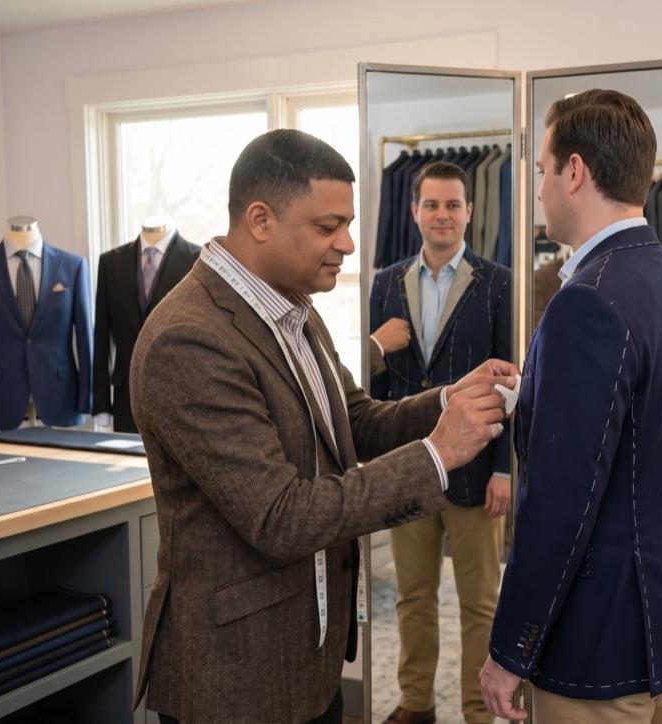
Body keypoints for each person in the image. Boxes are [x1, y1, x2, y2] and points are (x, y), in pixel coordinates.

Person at [129, 129, 516, 724]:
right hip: (237, 678)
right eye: (327, 226)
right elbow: (279, 517)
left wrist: (447, 399)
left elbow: (354, 421)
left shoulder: (294, 308)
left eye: (348, 224)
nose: (348, 244)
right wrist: (436, 454)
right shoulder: (190, 339)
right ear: (260, 219)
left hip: (307, 656)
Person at [478, 89, 662, 724]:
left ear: (574, 172)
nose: (537, 189)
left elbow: (560, 503)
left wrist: (509, 649)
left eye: (540, 170)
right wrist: (536, 396)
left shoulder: (587, 301)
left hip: (598, 648)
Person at [369, 161, 513, 724]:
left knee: (480, 604)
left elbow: (510, 384)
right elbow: (371, 386)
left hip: (479, 468)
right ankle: (416, 703)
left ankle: (478, 713)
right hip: (409, 464)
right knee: (413, 596)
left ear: (469, 213)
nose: (442, 215)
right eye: (432, 205)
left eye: (453, 205)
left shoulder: (498, 282)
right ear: (415, 212)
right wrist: (376, 344)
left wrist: (505, 468)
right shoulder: (386, 283)